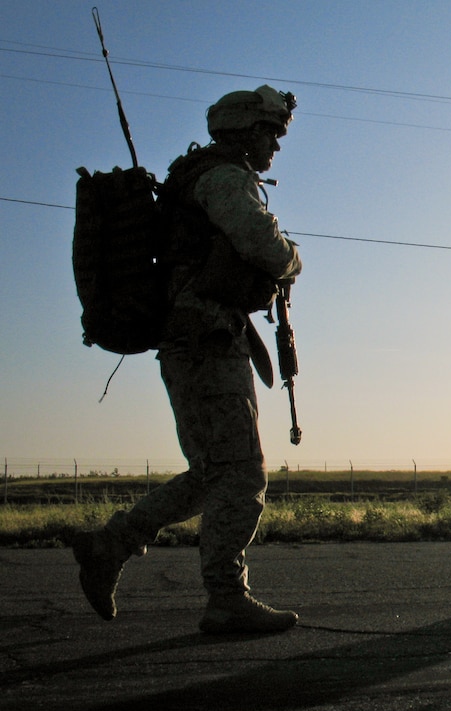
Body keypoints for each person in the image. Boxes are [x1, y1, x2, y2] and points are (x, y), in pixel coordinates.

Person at [72, 85, 303, 633]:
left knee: (210, 475)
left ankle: (109, 546)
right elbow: (259, 241)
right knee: (242, 475)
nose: (276, 143)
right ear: (245, 128)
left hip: (194, 342)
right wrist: (292, 259)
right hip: (208, 342)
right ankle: (226, 597)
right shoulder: (222, 176)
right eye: (271, 130)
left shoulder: (202, 175)